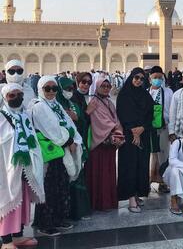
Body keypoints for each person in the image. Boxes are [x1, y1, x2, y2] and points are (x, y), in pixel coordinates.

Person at [31, 76, 83, 236]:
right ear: (40, 89)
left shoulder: (56, 105)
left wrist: (75, 139)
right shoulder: (39, 107)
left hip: (62, 150)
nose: (52, 92)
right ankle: (45, 223)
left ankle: (58, 218)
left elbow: (68, 123)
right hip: (51, 152)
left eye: (54, 88)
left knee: (61, 186)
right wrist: (69, 141)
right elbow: (50, 129)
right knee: (49, 188)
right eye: (48, 88)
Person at [0, 83, 45, 249]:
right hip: (7, 167)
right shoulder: (1, 116)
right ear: (5, 97)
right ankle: (6, 240)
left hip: (25, 166)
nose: (17, 98)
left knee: (22, 200)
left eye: (19, 95)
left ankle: (18, 235)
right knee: (8, 199)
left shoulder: (24, 115)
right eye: (12, 95)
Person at [117, 68, 153, 213]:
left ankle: (137, 194)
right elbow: (123, 114)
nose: (138, 80)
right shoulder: (124, 94)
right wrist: (134, 132)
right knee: (130, 166)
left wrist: (142, 128)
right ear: (131, 77)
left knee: (141, 165)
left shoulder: (145, 95)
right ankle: (130, 197)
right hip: (129, 136)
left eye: (141, 78)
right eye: (136, 77)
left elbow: (150, 115)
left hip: (143, 134)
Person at [85, 76, 124, 211]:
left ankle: (108, 201)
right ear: (97, 87)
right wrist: (115, 129)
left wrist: (118, 130)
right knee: (98, 174)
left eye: (108, 86)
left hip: (109, 144)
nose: (106, 89)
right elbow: (100, 121)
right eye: (103, 86)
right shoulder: (94, 101)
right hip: (99, 144)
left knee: (108, 173)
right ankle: (98, 203)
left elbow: (115, 118)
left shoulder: (109, 102)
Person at [56, 77, 91, 220]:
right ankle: (63, 214)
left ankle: (78, 211)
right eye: (66, 89)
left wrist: (77, 118)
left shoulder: (73, 104)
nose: (69, 92)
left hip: (76, 146)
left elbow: (83, 122)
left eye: (71, 89)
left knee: (77, 176)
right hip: (61, 149)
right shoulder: (55, 106)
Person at [147, 66, 173, 193]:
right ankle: (150, 179)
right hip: (149, 129)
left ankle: (162, 181)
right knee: (152, 154)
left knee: (163, 154)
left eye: (160, 78)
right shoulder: (146, 92)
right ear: (150, 78)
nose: (157, 80)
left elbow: (171, 111)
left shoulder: (168, 92)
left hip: (164, 127)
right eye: (155, 78)